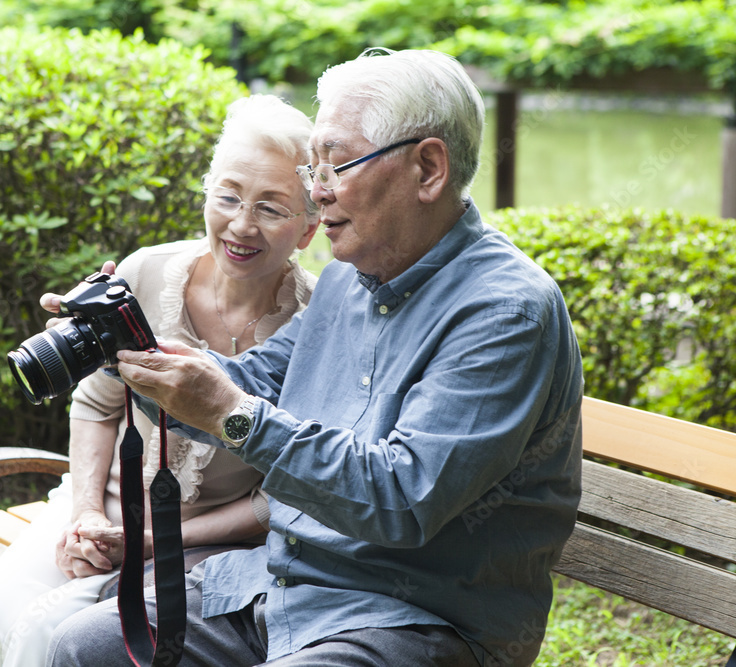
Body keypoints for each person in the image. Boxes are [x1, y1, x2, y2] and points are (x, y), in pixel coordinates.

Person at [47, 48, 584, 667]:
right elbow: (248, 382)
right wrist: (126, 345)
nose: (318, 192)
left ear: (428, 169)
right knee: (83, 648)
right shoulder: (346, 281)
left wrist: (231, 412)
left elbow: (401, 499)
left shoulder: (504, 310)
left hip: (419, 620)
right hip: (281, 588)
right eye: (313, 170)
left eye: (335, 164)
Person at [0, 94, 320, 667]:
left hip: (209, 540)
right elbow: (96, 406)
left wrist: (152, 542)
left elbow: (282, 497)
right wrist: (87, 515)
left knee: (55, 635)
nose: (241, 224)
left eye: (271, 208)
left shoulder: (319, 324)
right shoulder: (146, 272)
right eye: (227, 196)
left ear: (311, 227)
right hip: (96, 507)